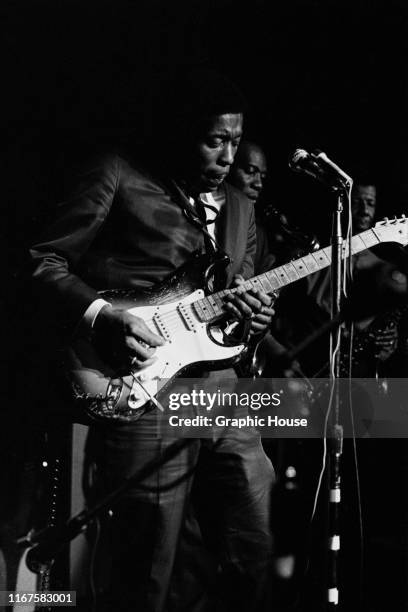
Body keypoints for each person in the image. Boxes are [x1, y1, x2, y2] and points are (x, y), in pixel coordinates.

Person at [28, 68, 275, 612]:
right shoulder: (118, 172)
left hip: (223, 389)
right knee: (145, 563)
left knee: (250, 546)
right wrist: (101, 315)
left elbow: (238, 298)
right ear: (179, 133)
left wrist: (255, 319)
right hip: (142, 388)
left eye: (235, 141)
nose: (228, 156)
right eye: (215, 140)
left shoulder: (241, 206)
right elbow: (42, 261)